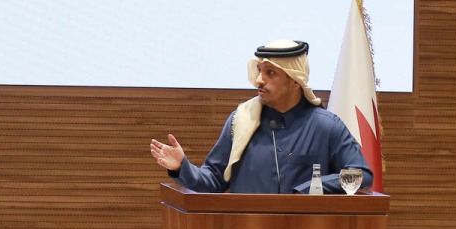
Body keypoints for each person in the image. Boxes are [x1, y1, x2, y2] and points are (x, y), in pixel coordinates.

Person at [149, 40, 372, 194]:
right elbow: (215, 180)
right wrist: (181, 167)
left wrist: (312, 188)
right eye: (259, 71)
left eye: (270, 73)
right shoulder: (241, 121)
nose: (259, 80)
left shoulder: (326, 127)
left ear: (295, 81)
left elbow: (360, 176)